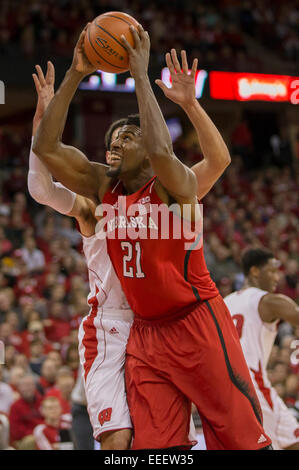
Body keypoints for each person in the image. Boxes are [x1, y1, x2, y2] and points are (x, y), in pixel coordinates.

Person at [32, 25, 272, 450]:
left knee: (240, 441)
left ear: (150, 144)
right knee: (153, 452)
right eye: (112, 139)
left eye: (128, 136)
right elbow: (48, 149)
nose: (116, 143)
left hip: (196, 322)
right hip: (146, 334)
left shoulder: (175, 186)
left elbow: (180, 156)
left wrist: (143, 77)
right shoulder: (103, 185)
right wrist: (75, 71)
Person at [28, 62, 133, 450]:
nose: (118, 149)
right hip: (109, 325)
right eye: (114, 143)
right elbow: (41, 190)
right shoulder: (92, 205)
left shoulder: (161, 200)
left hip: (154, 324)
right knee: (117, 441)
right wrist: (42, 121)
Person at [224, 248, 299, 450]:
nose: (277, 276)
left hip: (226, 385)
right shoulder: (267, 300)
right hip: (251, 383)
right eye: (272, 270)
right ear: (255, 271)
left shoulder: (224, 303)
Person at [8, 374, 43, 450]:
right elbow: (16, 432)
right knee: (32, 441)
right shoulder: (15, 407)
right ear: (19, 388)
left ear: (34, 387)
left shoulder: (42, 401)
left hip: (42, 434)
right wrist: (36, 434)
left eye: (30, 385)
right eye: (25, 386)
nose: (28, 388)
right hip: (24, 440)